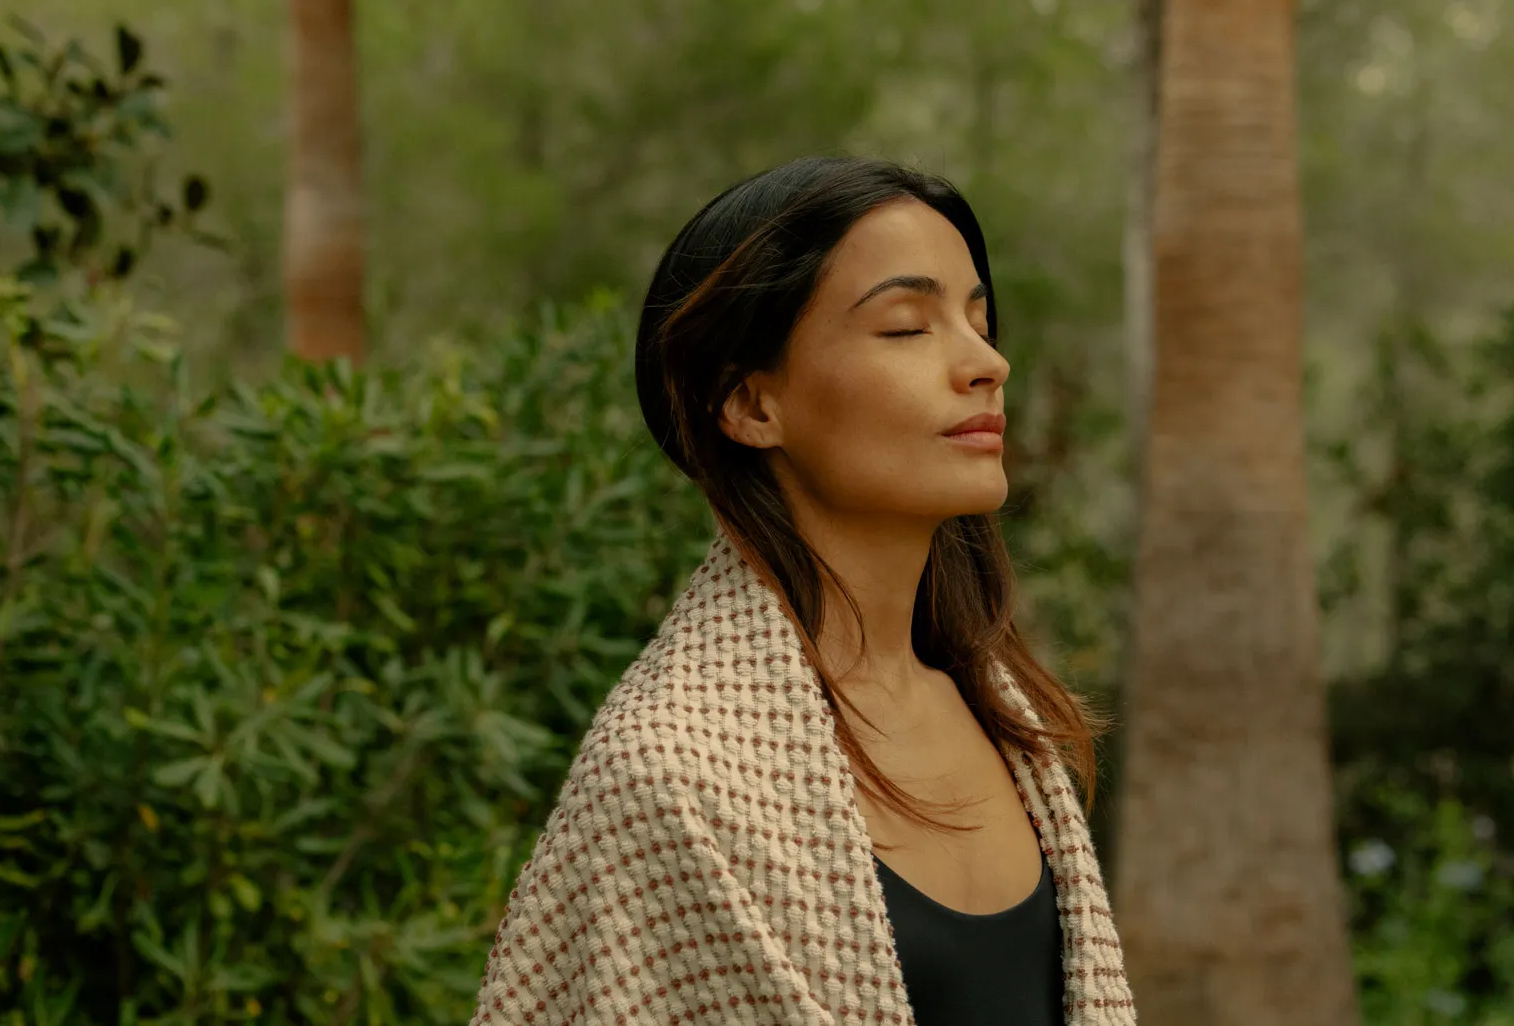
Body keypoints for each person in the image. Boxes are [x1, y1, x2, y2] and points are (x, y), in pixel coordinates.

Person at [469, 156, 1134, 1025]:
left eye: (978, 318)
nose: (987, 362)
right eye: (906, 326)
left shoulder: (1006, 721)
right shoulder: (673, 776)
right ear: (750, 404)